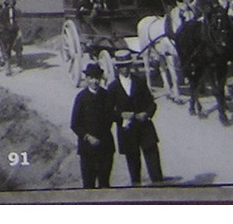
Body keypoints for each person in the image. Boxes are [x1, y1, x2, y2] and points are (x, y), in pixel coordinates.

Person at [109, 50, 164, 185]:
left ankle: (159, 188)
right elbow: (108, 111)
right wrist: (121, 115)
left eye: (127, 66)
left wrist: (146, 113)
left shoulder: (139, 81)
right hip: (127, 130)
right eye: (122, 67)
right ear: (117, 68)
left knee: (153, 159)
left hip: (144, 127)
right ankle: (137, 189)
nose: (125, 69)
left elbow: (152, 104)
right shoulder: (113, 87)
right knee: (133, 163)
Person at [70, 62, 119, 189]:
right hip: (87, 149)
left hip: (105, 146)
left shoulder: (106, 95)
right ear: (86, 79)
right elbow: (75, 124)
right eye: (91, 78)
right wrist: (88, 137)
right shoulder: (81, 97)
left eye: (97, 78)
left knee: (105, 183)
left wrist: (124, 116)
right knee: (89, 184)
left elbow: (112, 116)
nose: (94, 81)